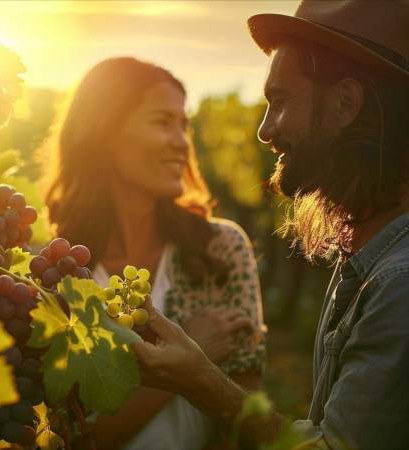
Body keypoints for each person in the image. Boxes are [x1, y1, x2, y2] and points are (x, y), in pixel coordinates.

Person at [132, 1, 409, 449]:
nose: (263, 129)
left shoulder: (400, 281)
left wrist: (202, 381)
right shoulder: (368, 257)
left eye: (279, 101)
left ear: (345, 103)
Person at [42, 57, 267, 449]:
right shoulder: (57, 273)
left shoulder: (221, 250)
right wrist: (195, 361)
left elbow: (251, 427)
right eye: (162, 122)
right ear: (104, 131)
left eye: (184, 125)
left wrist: (192, 370)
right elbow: (70, 440)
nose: (181, 142)